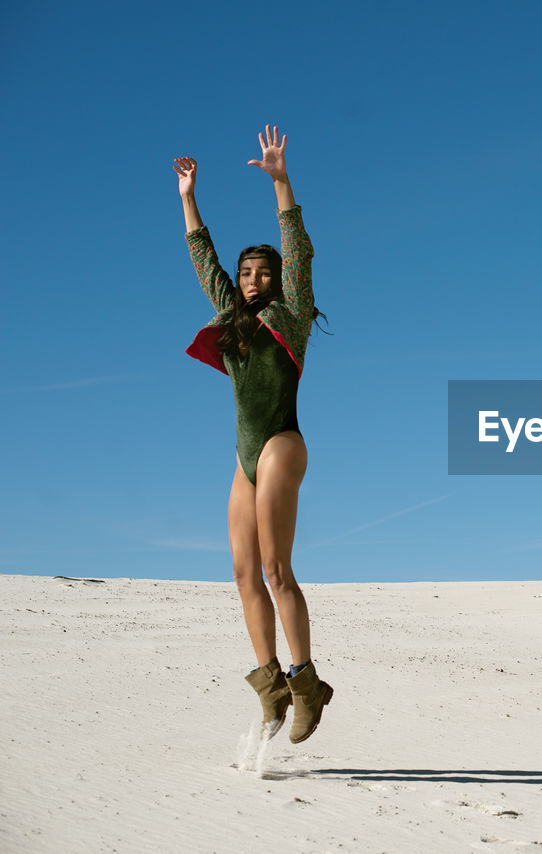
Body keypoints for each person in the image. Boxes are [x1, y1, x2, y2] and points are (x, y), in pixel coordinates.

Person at [172, 125, 333, 744]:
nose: (254, 279)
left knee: (275, 567)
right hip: (243, 457)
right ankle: (269, 683)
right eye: (248, 272)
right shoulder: (232, 320)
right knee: (242, 575)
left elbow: (300, 254)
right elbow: (203, 264)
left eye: (263, 272)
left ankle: (306, 681)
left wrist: (281, 182)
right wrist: (189, 196)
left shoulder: (290, 315)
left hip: (281, 443)